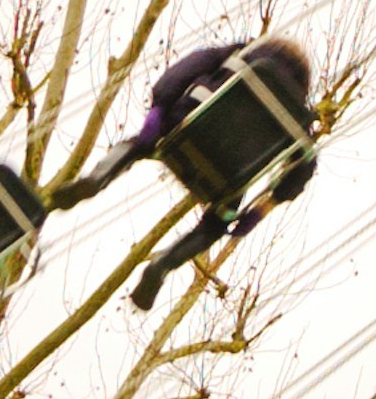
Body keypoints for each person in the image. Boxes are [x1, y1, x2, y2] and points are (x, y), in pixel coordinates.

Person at [50, 35, 320, 308]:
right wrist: (265, 206)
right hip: (229, 171)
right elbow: (303, 168)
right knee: (217, 224)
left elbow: (187, 68)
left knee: (137, 146)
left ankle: (96, 179)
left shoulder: (240, 52)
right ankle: (163, 264)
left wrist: (158, 107)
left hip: (188, 124)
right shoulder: (298, 114)